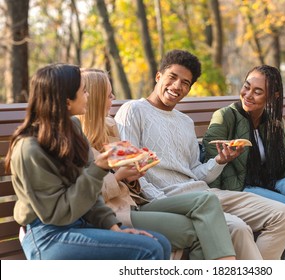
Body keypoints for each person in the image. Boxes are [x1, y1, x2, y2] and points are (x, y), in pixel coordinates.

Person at [114, 49, 285, 260]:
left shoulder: (185, 121)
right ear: (158, 76)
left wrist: (220, 161)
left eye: (185, 83)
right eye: (172, 77)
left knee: (283, 214)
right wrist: (165, 203)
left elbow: (195, 174)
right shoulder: (133, 110)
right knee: (238, 228)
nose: (177, 86)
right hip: (167, 199)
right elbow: (132, 172)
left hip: (204, 194)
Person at [4, 63, 171, 260]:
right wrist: (98, 169)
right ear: (66, 102)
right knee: (149, 249)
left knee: (161, 243)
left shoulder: (72, 127)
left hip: (80, 221)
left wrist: (114, 228)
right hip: (50, 234)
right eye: (84, 91)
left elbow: (90, 196)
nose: (88, 96)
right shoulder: (29, 149)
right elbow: (58, 214)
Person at [78, 68, 236, 260]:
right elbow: (86, 194)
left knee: (207, 200)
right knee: (200, 230)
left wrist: (133, 173)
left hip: (133, 202)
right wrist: (119, 176)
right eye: (109, 94)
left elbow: (123, 175)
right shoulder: (75, 138)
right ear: (93, 98)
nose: (113, 98)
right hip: (112, 212)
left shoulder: (108, 126)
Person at [202, 65, 285, 260]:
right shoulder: (225, 117)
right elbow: (210, 165)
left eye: (257, 92)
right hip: (239, 189)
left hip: (269, 183)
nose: (248, 94)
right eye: (246, 87)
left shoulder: (273, 123)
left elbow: (280, 169)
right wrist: (223, 159)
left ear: (272, 97)